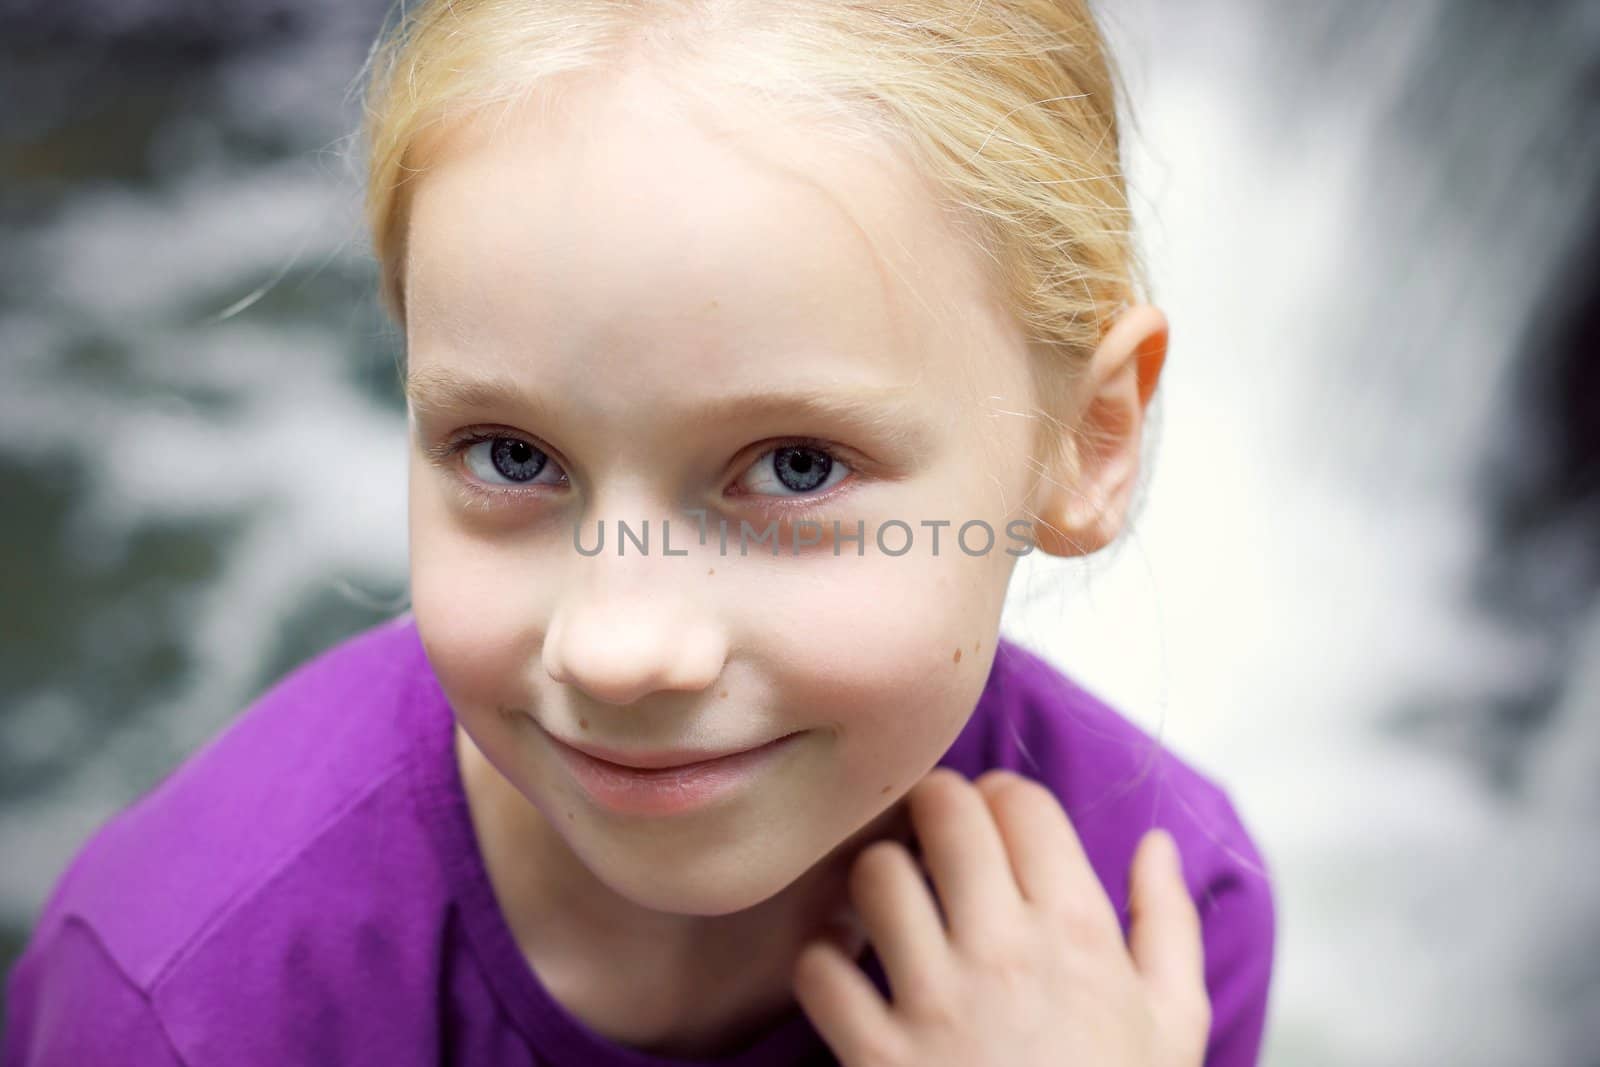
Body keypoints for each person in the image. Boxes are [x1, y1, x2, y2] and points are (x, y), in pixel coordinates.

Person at [2, 1, 1277, 1064]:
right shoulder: (188, 1004)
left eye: (793, 466)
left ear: (1089, 441)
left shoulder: (1147, 938)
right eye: (512, 456)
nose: (618, 647)